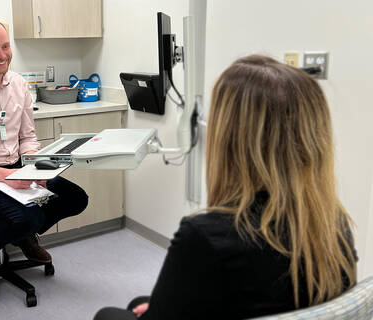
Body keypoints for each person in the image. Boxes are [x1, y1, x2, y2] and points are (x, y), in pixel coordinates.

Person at [94, 55, 357, 320]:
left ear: (230, 138)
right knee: (143, 301)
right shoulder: (333, 222)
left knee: (109, 315)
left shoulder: (206, 237)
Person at [0, 19, 88, 299]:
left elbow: (28, 138)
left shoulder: (19, 85)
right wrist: (7, 176)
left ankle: (23, 235)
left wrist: (36, 167)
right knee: (28, 216)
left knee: (75, 198)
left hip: (18, 170)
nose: (1, 55)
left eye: (6, 46)